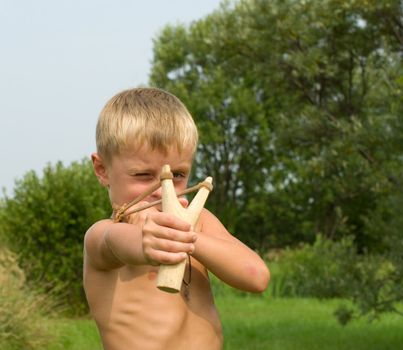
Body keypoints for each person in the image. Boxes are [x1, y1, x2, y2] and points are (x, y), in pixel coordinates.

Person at [83, 87, 270, 350]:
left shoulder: (199, 222)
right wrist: (146, 240)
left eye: (178, 176)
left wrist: (189, 238)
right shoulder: (103, 234)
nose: (163, 190)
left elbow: (256, 276)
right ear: (102, 170)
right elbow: (117, 243)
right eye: (143, 175)